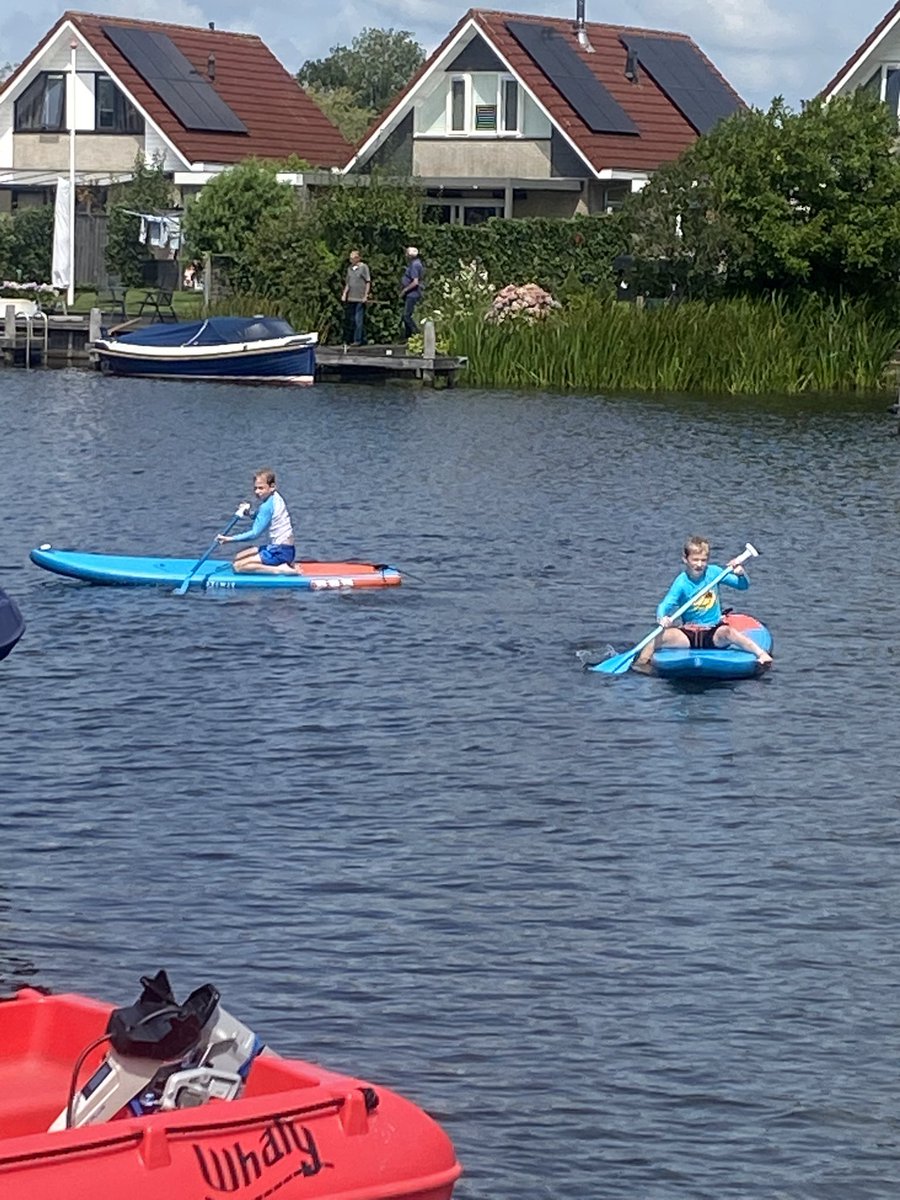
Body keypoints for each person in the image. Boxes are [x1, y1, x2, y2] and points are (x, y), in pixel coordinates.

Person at [634, 535, 773, 668]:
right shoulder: (681, 582)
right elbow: (665, 605)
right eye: (695, 560)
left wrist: (741, 575)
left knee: (728, 632)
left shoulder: (714, 573)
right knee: (655, 638)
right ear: (685, 559)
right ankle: (641, 665)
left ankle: (761, 654)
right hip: (688, 634)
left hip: (713, 631)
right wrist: (662, 618)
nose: (699, 564)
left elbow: (742, 586)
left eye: (703, 560)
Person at [217, 468, 296, 573]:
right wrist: (248, 513)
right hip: (283, 549)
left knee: (238, 567)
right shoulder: (275, 497)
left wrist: (229, 539)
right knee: (238, 557)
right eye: (255, 488)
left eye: (261, 488)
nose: (257, 492)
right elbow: (261, 516)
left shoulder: (267, 506)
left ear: (272, 487)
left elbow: (254, 534)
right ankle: (282, 563)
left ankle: (279, 569)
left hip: (279, 551)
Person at [341, 249, 371, 345]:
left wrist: (366, 295)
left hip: (360, 298)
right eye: (350, 258)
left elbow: (368, 282)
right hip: (351, 297)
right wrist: (344, 294)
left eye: (353, 258)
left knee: (358, 319)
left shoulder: (363, 267)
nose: (351, 260)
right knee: (352, 319)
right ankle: (352, 338)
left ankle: (358, 340)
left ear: (358, 258)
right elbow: (348, 283)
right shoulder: (349, 269)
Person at [399, 245, 424, 336]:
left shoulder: (414, 265)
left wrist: (405, 290)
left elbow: (415, 282)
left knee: (407, 316)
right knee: (406, 315)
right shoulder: (415, 264)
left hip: (412, 294)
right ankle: (408, 336)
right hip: (411, 294)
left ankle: (417, 334)